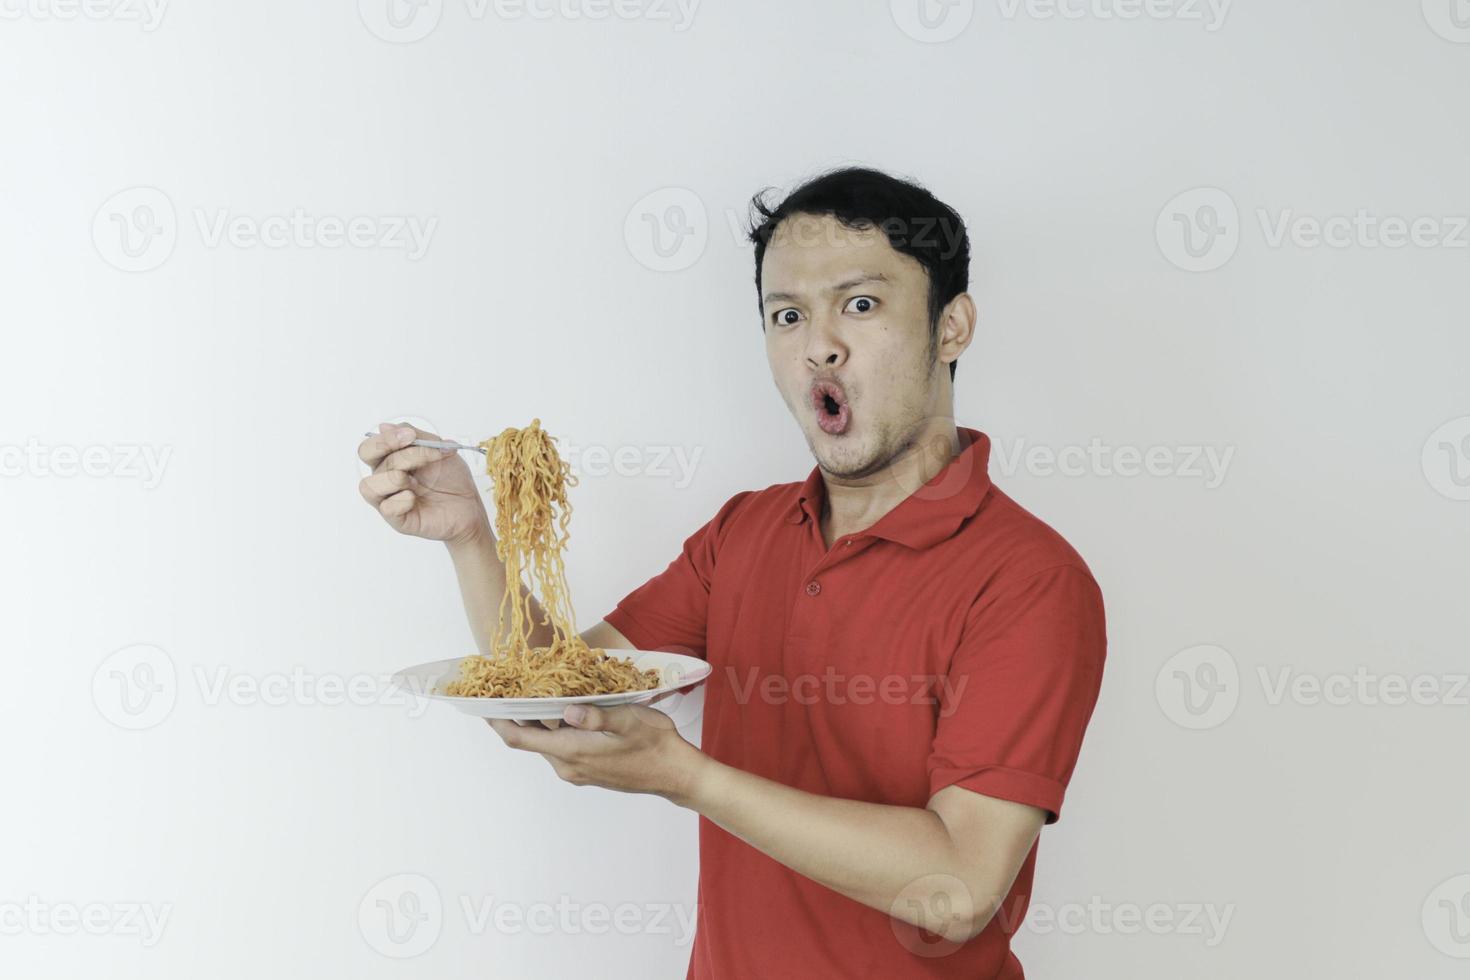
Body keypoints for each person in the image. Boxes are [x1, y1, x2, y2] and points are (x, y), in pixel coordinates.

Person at [356, 166, 1107, 979]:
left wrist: (688, 779)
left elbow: (958, 887)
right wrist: (472, 538)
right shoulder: (744, 533)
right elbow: (567, 691)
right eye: (787, 315)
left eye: (861, 303)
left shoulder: (1031, 579)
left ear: (951, 326)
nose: (819, 343)